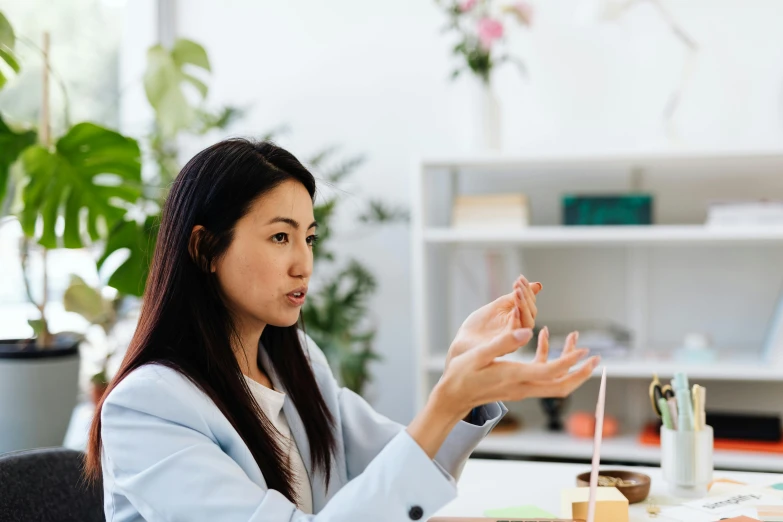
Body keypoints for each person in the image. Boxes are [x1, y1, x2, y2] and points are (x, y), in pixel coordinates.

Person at [85, 139, 599, 522]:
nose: (303, 263)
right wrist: (444, 399)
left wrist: (464, 381)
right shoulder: (148, 407)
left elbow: (397, 473)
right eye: (280, 236)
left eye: (309, 238)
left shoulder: (294, 360)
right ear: (204, 249)